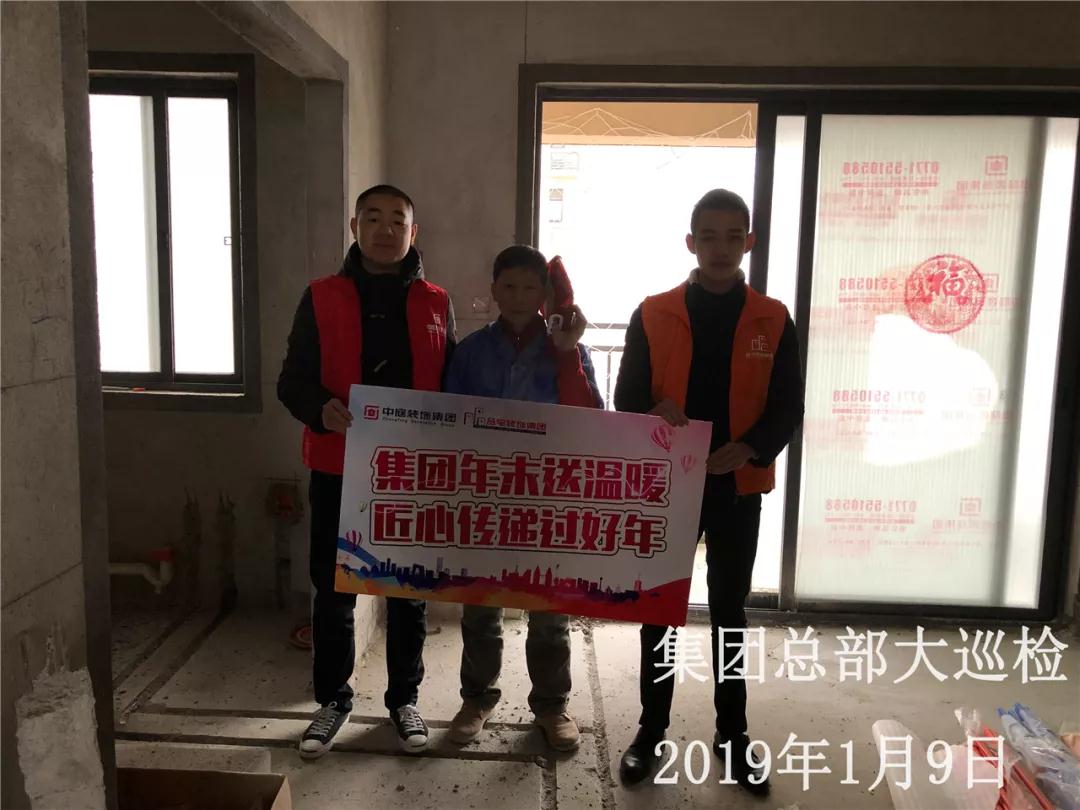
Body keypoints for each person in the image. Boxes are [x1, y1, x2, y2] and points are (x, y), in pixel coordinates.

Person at [613, 189, 804, 795]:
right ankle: (651, 730)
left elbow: (787, 406)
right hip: (670, 484)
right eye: (709, 236)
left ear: (749, 242)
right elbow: (627, 397)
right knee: (660, 612)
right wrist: (654, 411)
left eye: (733, 236)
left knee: (729, 612)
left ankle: (733, 734)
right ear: (691, 242)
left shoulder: (773, 318)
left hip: (737, 487)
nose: (721, 248)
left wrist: (749, 448)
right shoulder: (654, 312)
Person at [278, 184, 456, 758]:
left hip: (413, 472)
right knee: (335, 591)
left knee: (407, 589)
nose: (385, 229)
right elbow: (292, 381)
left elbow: (453, 383)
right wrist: (320, 409)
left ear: (413, 232)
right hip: (339, 465)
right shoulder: (321, 296)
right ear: (355, 227)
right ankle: (332, 700)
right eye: (373, 218)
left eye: (397, 220)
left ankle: (404, 700)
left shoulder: (436, 302)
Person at [442, 245, 602, 752]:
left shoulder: (569, 350)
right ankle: (476, 699)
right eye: (508, 286)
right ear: (493, 290)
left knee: (550, 611)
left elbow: (592, 418)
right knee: (480, 607)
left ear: (544, 295)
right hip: (483, 497)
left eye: (529, 288)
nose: (517, 297)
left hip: (547, 499)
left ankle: (551, 706)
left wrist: (567, 351)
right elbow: (446, 419)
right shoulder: (470, 351)